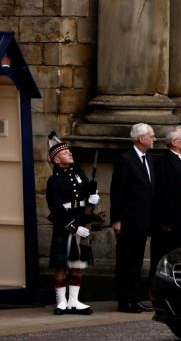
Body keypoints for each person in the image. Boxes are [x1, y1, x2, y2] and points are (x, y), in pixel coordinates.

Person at [46, 133, 98, 315]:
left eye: (69, 151)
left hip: (82, 222)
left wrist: (93, 199)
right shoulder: (54, 181)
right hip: (65, 224)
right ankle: (61, 302)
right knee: (62, 265)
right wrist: (73, 226)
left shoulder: (80, 174)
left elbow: (86, 200)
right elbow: (56, 207)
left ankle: (74, 301)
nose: (69, 154)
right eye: (65, 152)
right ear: (57, 160)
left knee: (78, 264)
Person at [109, 123, 155, 313]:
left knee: (136, 261)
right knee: (126, 261)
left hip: (143, 219)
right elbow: (117, 191)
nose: (154, 139)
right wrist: (116, 219)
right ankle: (124, 300)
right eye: (151, 136)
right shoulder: (125, 160)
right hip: (128, 219)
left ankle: (134, 298)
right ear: (140, 138)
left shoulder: (149, 159)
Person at [150, 128, 181, 283]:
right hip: (174, 218)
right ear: (174, 143)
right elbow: (164, 192)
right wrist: (166, 220)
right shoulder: (164, 162)